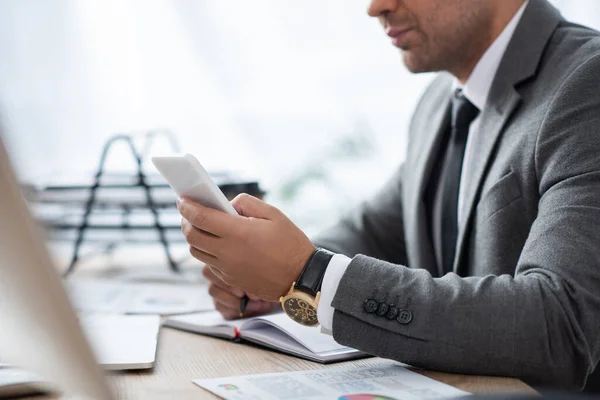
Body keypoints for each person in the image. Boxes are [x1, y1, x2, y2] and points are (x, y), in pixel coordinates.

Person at [176, 0, 600, 392]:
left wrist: (309, 276)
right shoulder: (440, 101)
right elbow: (375, 230)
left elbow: (563, 323)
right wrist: (268, 276)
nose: (375, 7)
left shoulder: (588, 83)